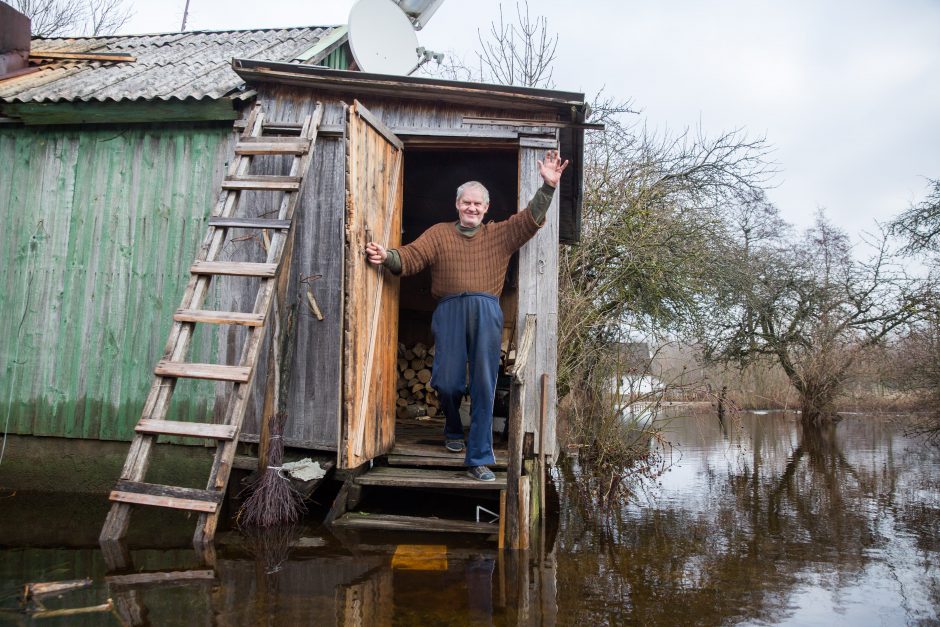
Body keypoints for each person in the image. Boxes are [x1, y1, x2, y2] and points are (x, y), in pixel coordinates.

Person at [365, 150, 568, 481]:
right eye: (466, 203)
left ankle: (478, 459)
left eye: (478, 204)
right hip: (449, 311)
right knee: (447, 381)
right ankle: (452, 425)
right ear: (457, 205)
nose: (472, 208)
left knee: (485, 384)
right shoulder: (439, 233)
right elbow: (411, 257)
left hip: (487, 310)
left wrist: (548, 186)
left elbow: (531, 218)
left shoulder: (499, 235)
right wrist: (385, 256)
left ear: (486, 209)